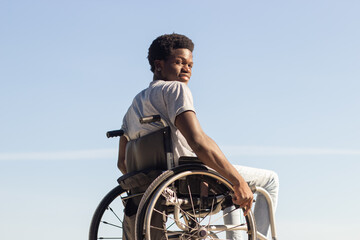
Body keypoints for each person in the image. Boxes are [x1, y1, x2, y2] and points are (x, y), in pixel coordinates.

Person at [118, 33, 279, 239]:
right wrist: (238, 181)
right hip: (189, 177)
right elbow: (198, 142)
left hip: (154, 184)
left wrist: (151, 181)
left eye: (190, 65)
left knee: (226, 179)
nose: (187, 69)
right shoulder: (175, 89)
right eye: (179, 62)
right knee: (268, 180)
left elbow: (123, 163)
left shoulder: (134, 106)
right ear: (159, 65)